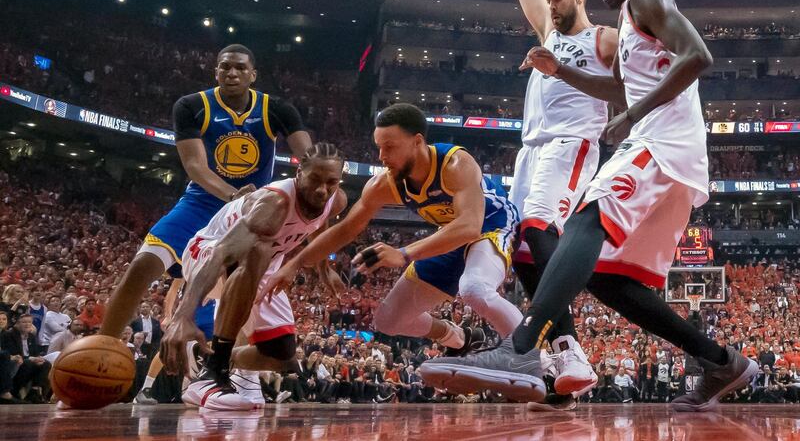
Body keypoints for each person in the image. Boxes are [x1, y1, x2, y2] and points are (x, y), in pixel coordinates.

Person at [419, 0, 758, 411]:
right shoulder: (626, 26)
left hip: (661, 143)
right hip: (670, 157)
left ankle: (522, 347)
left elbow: (698, 56)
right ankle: (721, 361)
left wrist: (634, 116)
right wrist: (560, 72)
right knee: (603, 276)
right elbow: (620, 92)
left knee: (583, 220)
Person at [98, 44, 311, 403]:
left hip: (250, 215)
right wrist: (233, 195)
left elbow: (307, 157)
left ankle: (234, 378)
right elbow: (196, 166)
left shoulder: (277, 110)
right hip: (202, 203)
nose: (232, 73)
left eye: (240, 68)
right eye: (225, 67)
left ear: (252, 74)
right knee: (142, 264)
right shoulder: (192, 105)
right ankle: (99, 350)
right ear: (216, 72)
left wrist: (315, 175)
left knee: (243, 297)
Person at [265, 103, 521, 358]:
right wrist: (294, 263)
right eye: (379, 147)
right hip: (450, 235)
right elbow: (346, 229)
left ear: (417, 142)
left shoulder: (455, 163)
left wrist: (404, 253)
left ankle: (531, 359)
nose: (381, 157)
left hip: (491, 224)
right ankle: (460, 338)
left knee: (474, 288)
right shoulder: (384, 184)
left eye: (389, 147)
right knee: (388, 321)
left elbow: (469, 225)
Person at [510, 0, 618, 399]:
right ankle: (566, 359)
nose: (549, 5)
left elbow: (630, 88)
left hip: (572, 143)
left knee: (537, 222)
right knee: (523, 255)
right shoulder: (547, 34)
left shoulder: (604, 38)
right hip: (529, 149)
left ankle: (563, 349)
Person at [161, 143, 347, 410]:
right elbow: (223, 255)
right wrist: (183, 315)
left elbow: (320, 223)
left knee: (282, 356)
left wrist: (323, 267)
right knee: (259, 249)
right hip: (209, 252)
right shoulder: (275, 203)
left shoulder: (335, 199)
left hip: (262, 265)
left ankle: (215, 361)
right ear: (299, 173)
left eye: (331, 182)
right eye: (314, 180)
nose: (322, 190)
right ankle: (210, 376)